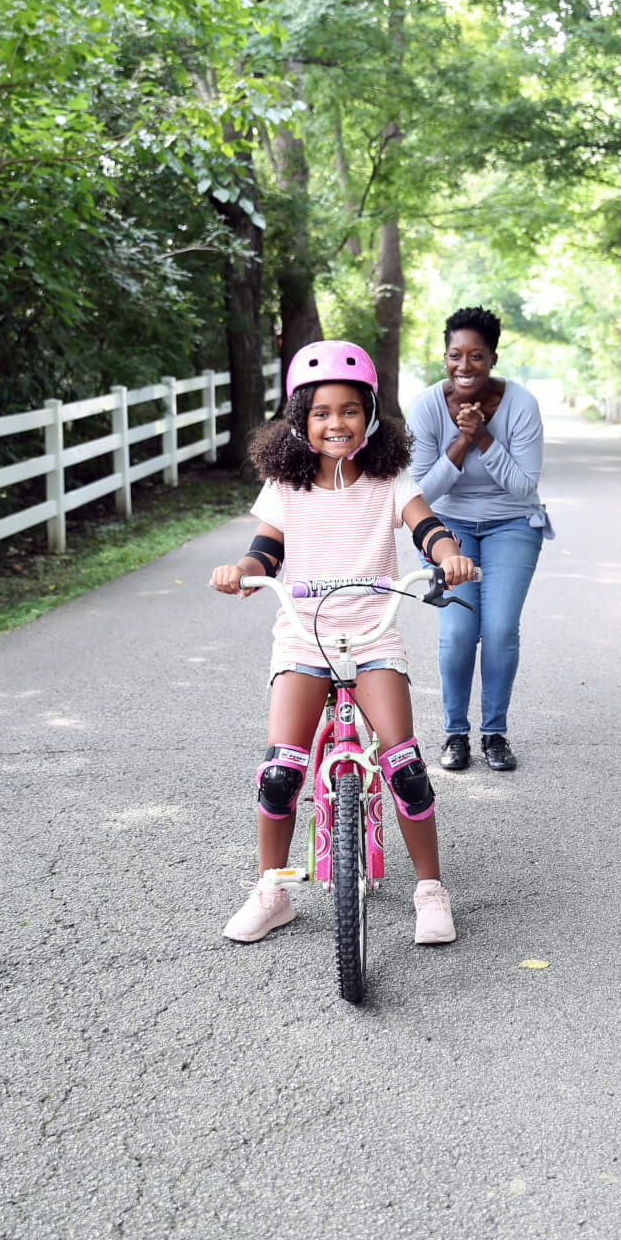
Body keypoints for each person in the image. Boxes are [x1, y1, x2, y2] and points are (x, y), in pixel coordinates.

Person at [209, 339, 477, 947]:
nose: (336, 423)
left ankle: (430, 890)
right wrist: (246, 571)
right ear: (301, 419)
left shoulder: (388, 480)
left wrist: (449, 554)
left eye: (350, 410)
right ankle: (271, 890)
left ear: (372, 416)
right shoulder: (285, 483)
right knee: (280, 774)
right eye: (322, 412)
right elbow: (267, 545)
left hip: (373, 638)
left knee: (405, 763)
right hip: (303, 639)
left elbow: (424, 526)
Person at [406, 307, 552, 774]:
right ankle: (454, 733)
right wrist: (461, 442)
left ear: (492, 357)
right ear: (444, 355)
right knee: (458, 630)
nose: (463, 366)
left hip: (513, 523)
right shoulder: (428, 406)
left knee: (500, 629)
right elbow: (421, 491)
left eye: (476, 356)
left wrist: (485, 437)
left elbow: (524, 488)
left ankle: (493, 733)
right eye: (454, 355)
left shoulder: (521, 404)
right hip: (450, 528)